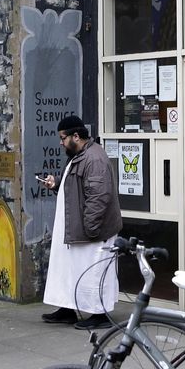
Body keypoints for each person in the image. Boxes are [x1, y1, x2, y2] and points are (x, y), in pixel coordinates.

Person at [39, 115, 122, 330]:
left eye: (63, 137)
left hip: (91, 231)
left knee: (94, 272)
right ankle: (67, 309)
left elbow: (99, 196)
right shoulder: (81, 155)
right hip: (79, 228)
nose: (61, 142)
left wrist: (91, 229)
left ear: (76, 136)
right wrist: (56, 183)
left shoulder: (93, 159)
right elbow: (76, 187)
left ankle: (99, 314)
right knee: (70, 270)